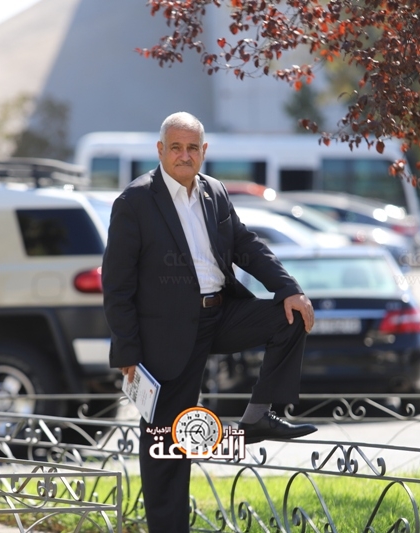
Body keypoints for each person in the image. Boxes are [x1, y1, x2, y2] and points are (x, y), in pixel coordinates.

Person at [101, 112, 316, 532]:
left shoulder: (214, 191)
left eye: (192, 148)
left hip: (220, 314)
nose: (184, 155)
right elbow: (117, 285)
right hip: (165, 334)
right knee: (167, 443)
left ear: (204, 151)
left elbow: (246, 245)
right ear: (160, 150)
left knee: (290, 317)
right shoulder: (134, 202)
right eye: (175, 147)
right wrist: (128, 351)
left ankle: (258, 415)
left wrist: (289, 288)